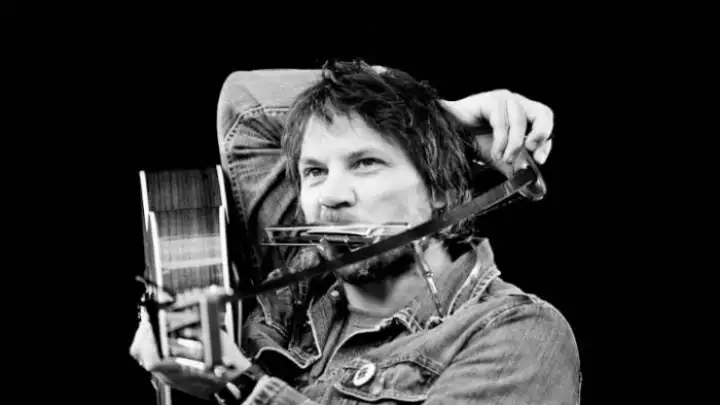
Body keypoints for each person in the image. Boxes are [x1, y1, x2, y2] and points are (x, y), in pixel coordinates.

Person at [131, 60, 580, 404]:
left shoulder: (516, 333)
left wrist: (240, 385)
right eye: (314, 171)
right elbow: (248, 105)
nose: (330, 196)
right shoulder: (296, 283)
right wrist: (444, 115)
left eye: (366, 163)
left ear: (441, 190)